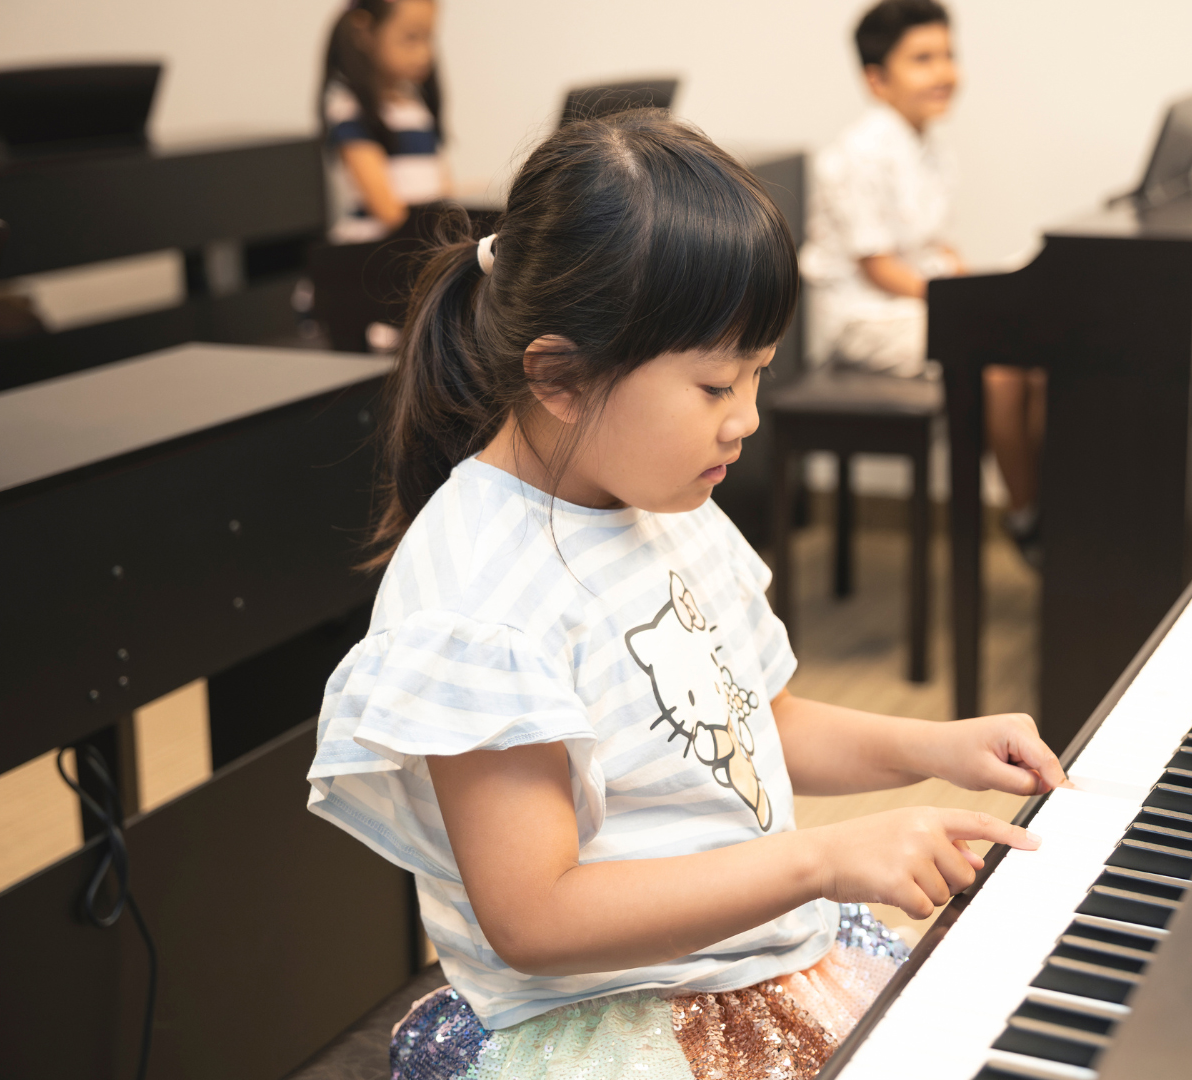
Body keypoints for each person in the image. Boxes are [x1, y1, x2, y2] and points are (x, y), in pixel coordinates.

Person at [305, 111, 1063, 1079]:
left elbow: (751, 727)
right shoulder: (482, 602)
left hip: (756, 952)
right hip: (609, 1020)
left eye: (759, 376)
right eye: (714, 387)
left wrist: (936, 747)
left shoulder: (662, 497)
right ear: (561, 376)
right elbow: (535, 915)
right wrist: (822, 861)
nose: (746, 420)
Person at [802, 0, 1045, 562]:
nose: (944, 72)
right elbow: (879, 267)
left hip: (915, 303)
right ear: (877, 80)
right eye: (922, 58)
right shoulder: (858, 153)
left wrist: (972, 285)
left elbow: (934, 246)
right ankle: (1028, 519)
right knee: (1003, 369)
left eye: (948, 55)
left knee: (1036, 355)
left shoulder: (931, 144)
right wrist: (966, 302)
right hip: (864, 316)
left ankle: (1048, 503)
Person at [318, 0, 449, 242]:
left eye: (428, 37)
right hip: (374, 253)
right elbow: (387, 210)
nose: (424, 53)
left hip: (419, 241)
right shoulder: (349, 110)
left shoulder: (416, 106)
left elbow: (441, 187)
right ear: (364, 32)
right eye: (411, 37)